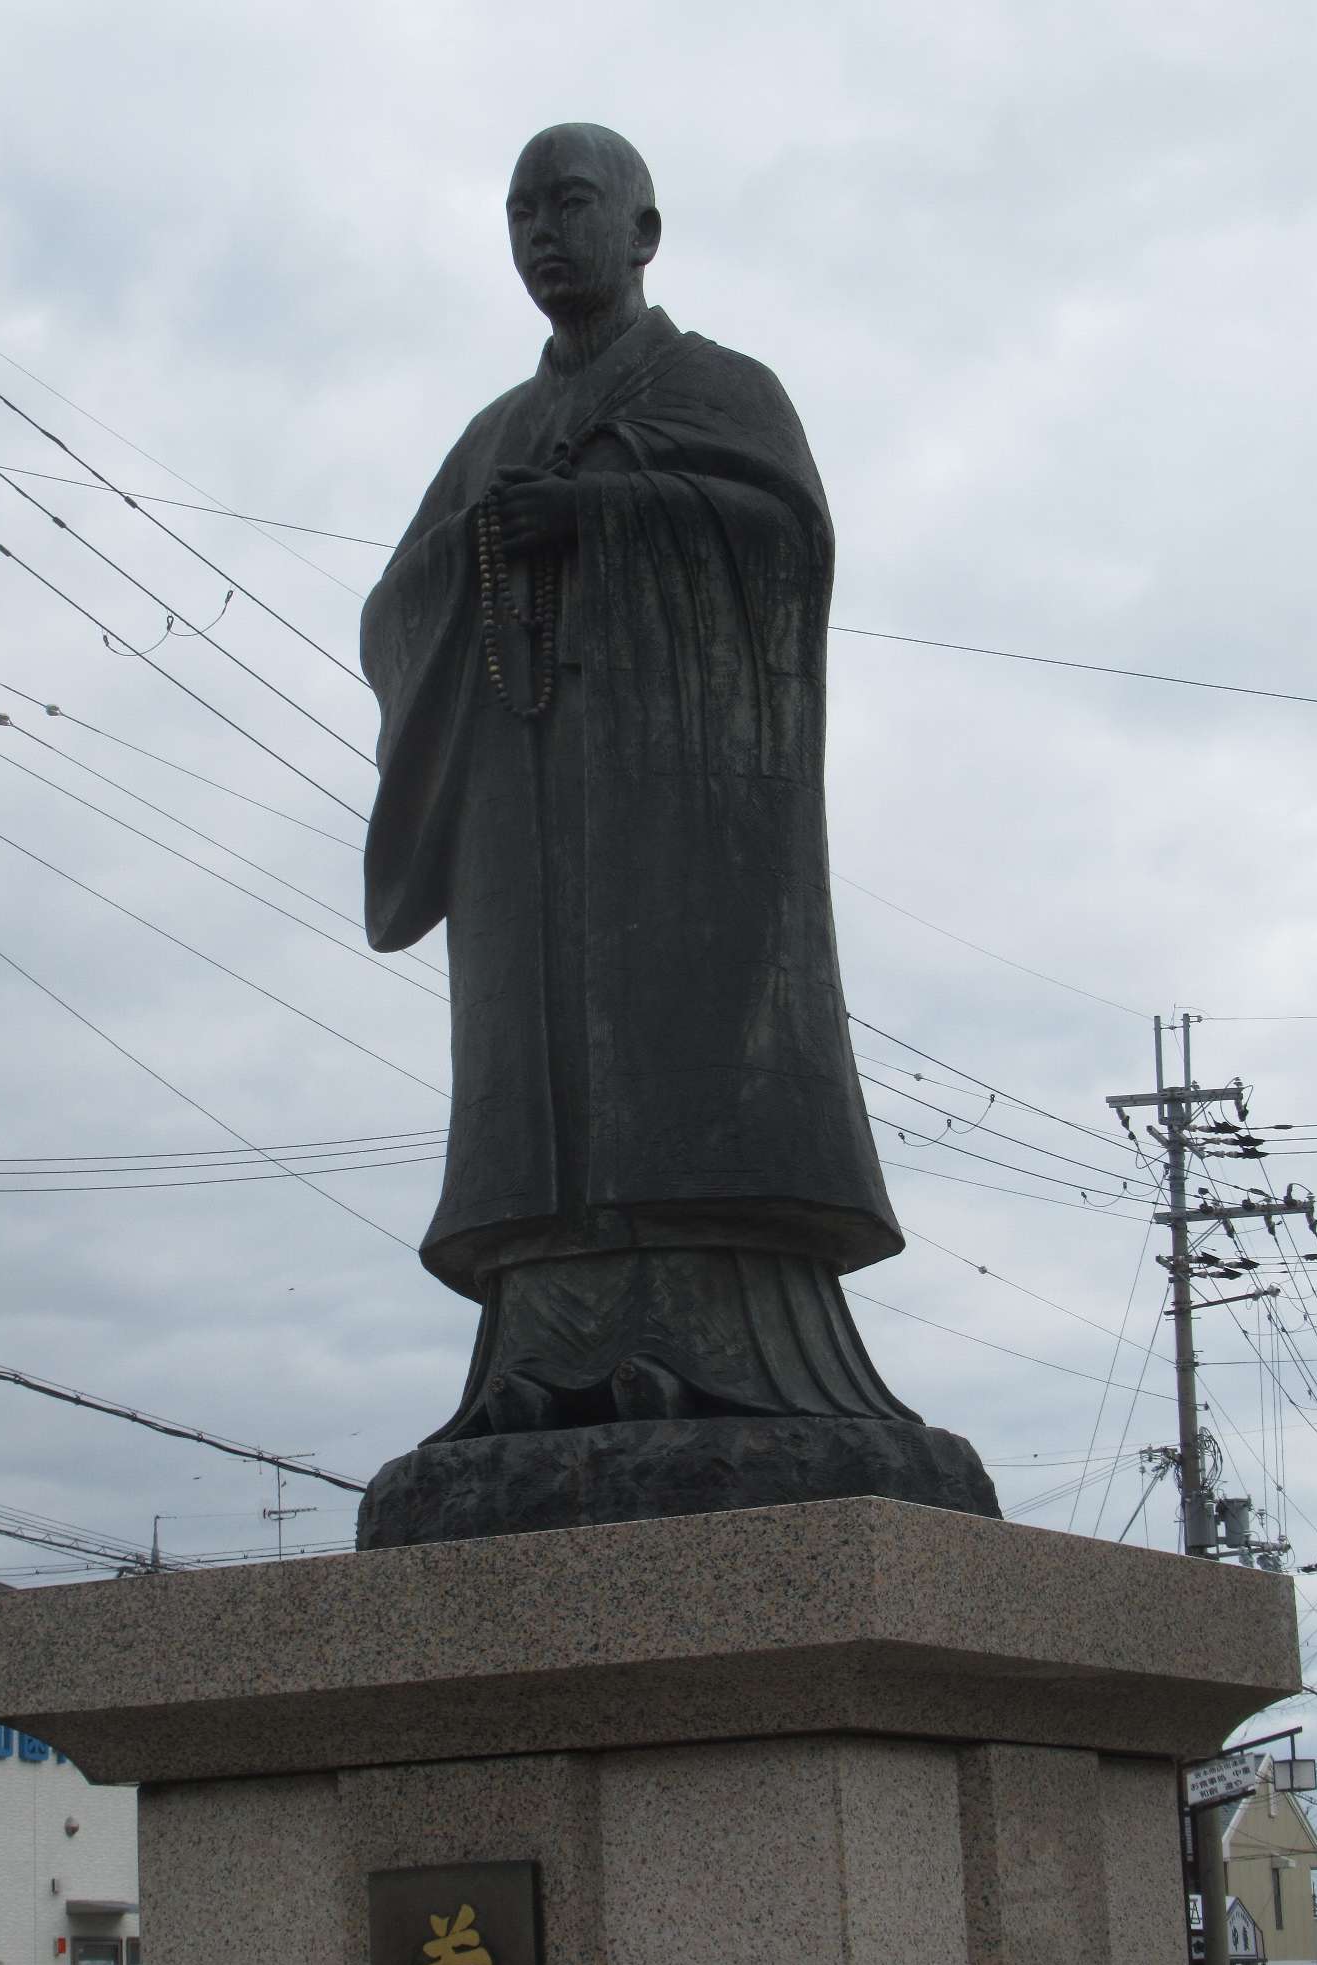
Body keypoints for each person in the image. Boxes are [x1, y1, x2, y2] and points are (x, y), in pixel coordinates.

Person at [362, 123, 913, 1440]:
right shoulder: (494, 434)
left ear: (645, 231)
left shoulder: (725, 391)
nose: (542, 233)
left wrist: (603, 520)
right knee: (533, 1065)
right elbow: (395, 612)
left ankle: (721, 1329)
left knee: (686, 1050)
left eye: (569, 204)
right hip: (523, 817)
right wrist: (481, 547)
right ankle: (543, 1341)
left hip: (682, 812)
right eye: (518, 214)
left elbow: (789, 545)